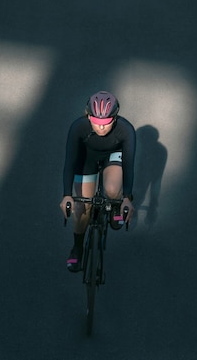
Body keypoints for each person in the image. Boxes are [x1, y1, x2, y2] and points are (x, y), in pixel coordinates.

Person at [60, 91, 136, 272]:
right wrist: (67, 195)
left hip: (113, 156)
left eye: (106, 123)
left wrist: (126, 198)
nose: (101, 128)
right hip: (87, 159)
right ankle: (77, 247)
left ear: (115, 118)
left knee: (111, 189)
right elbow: (70, 163)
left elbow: (128, 165)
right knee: (81, 209)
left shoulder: (126, 130)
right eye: (96, 122)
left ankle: (114, 207)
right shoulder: (78, 128)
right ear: (88, 116)